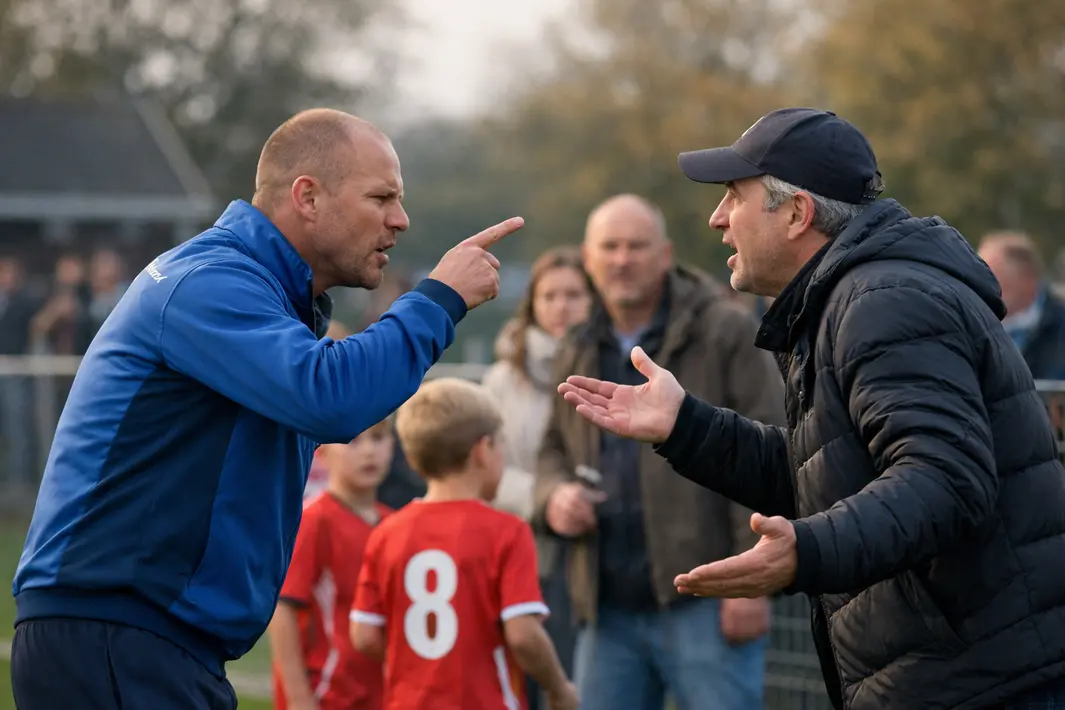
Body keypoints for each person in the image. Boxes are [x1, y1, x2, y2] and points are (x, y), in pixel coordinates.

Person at [10, 108, 524, 710]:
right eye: (381, 197)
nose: (400, 220)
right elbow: (329, 396)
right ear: (307, 196)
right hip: (116, 633)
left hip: (145, 639)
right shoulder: (209, 281)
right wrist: (437, 300)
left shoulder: (256, 289)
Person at [557, 107, 1065, 709]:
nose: (718, 220)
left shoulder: (884, 301)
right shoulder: (853, 297)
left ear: (796, 213)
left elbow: (945, 480)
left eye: (733, 198)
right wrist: (686, 426)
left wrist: (808, 551)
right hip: (957, 674)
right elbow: (824, 475)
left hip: (980, 682)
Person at [534, 194, 785, 710]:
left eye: (637, 246)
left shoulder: (724, 329)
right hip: (606, 605)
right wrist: (554, 495)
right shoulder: (577, 341)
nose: (622, 259)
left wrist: (749, 582)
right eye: (610, 247)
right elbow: (553, 448)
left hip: (707, 596)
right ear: (588, 256)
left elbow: (771, 447)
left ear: (665, 254)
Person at [349, 378, 579, 710]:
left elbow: (364, 635)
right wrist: (559, 688)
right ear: (484, 451)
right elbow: (523, 636)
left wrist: (420, 662)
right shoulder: (507, 531)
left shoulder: (387, 532)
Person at [481, 245, 593, 709]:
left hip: (599, 544)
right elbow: (487, 472)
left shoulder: (617, 364)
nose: (561, 305)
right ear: (533, 303)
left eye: (573, 294)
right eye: (549, 295)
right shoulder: (504, 378)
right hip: (525, 547)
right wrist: (547, 498)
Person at [269, 417, 395, 710]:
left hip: (383, 694)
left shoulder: (396, 525)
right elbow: (283, 610)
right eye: (353, 440)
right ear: (322, 452)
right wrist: (299, 698)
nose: (368, 452)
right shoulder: (313, 521)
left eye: (378, 438)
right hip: (327, 695)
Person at [978, 231, 1065, 380]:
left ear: (1027, 279)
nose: (981, 290)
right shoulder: (973, 327)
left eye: (994, 280)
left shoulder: (1059, 326)